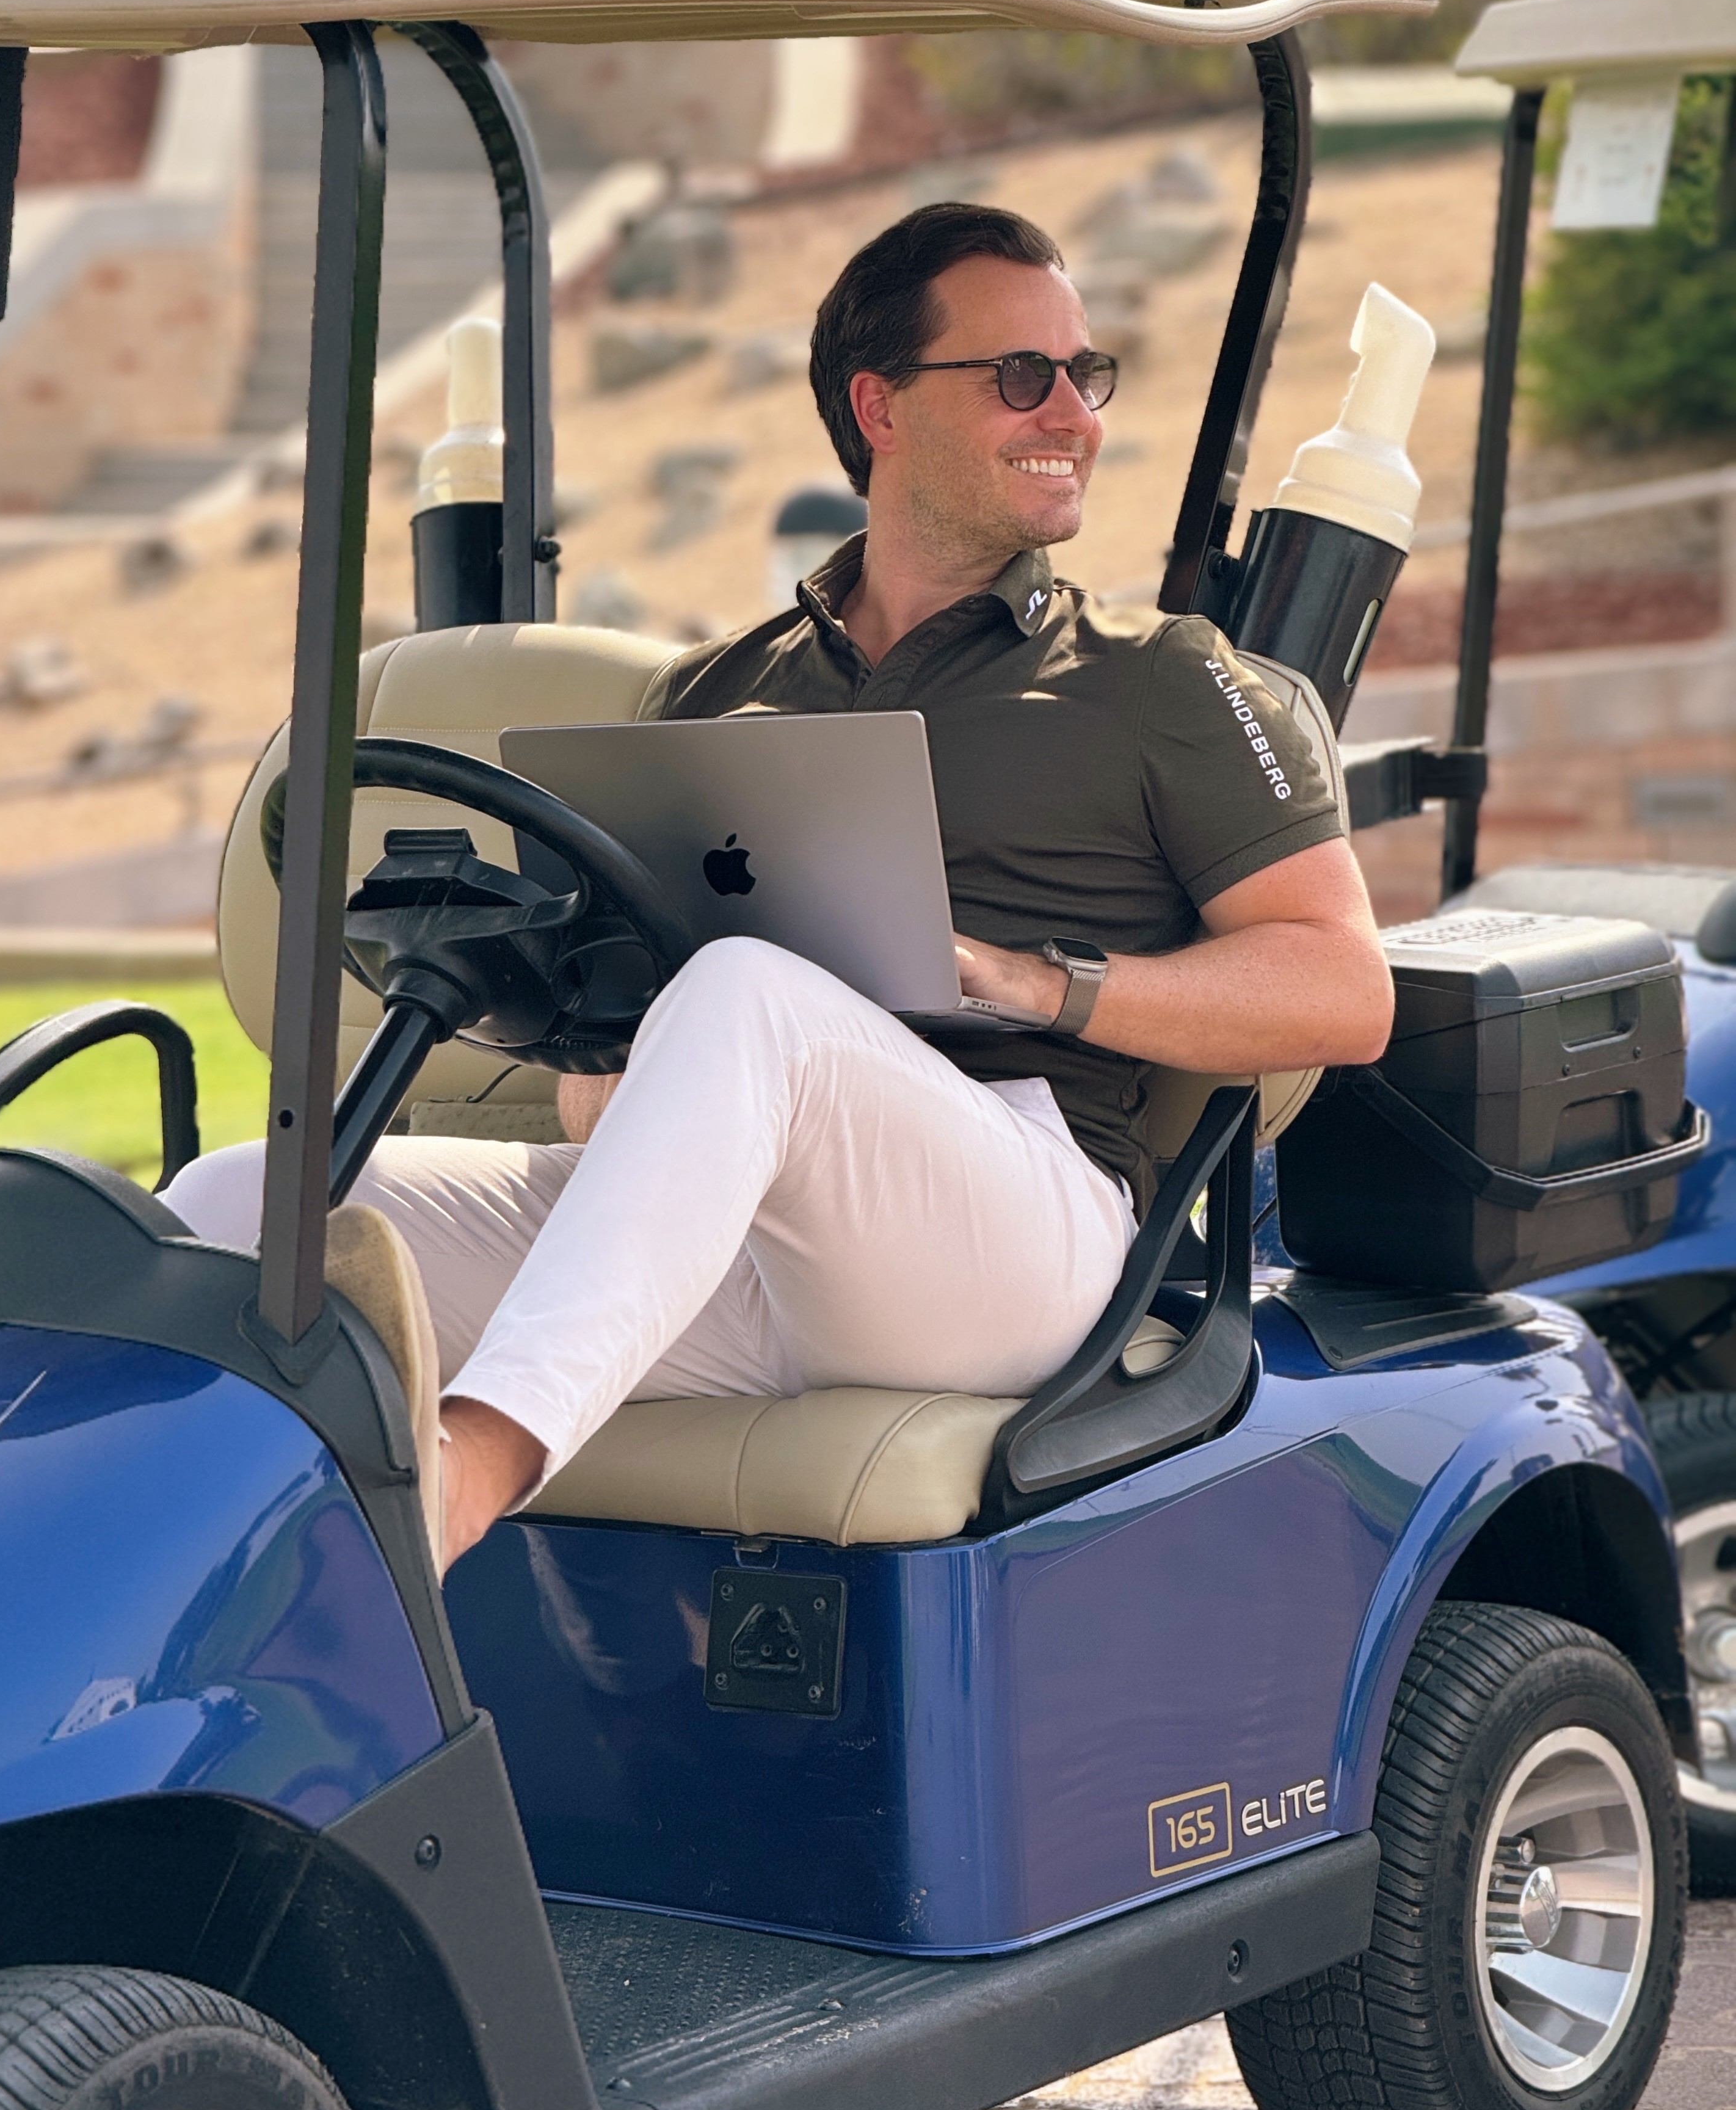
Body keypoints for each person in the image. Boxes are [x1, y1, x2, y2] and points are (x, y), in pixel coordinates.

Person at [166, 203, 1393, 1565]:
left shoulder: (1162, 677)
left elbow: (1344, 992)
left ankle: (468, 1471)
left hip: (1012, 1235)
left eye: (1082, 373)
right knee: (236, 1205)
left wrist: (1028, 982)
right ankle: (174, 1600)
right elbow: (619, 1058)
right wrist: (610, 1063)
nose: (1073, 415)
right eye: (1020, 375)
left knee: (752, 992)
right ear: (880, 406)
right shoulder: (715, 692)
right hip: (731, 1232)